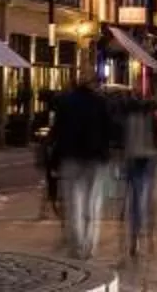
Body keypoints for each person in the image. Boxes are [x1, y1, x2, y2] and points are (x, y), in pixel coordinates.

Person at [49, 79, 116, 262]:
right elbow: (111, 130)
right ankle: (89, 246)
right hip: (95, 158)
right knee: (92, 204)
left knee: (74, 204)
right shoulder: (101, 102)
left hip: (71, 157)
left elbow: (57, 132)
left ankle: (77, 246)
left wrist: (54, 159)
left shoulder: (66, 102)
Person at [118, 90, 157, 258]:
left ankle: (135, 238)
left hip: (132, 161)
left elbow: (123, 141)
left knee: (135, 201)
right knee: (146, 200)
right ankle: (143, 236)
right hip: (147, 162)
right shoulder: (152, 119)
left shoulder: (128, 120)